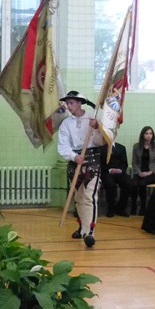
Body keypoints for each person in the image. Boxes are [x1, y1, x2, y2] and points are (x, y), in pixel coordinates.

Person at [57, 90, 105, 247]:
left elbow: (102, 141)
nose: (68, 106)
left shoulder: (93, 118)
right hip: (75, 162)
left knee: (89, 196)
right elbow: (63, 145)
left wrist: (97, 127)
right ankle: (83, 228)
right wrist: (73, 156)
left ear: (79, 103)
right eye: (67, 103)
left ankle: (90, 232)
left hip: (92, 160)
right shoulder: (66, 123)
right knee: (78, 198)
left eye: (71, 103)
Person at [129, 126, 155, 215]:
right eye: (146, 133)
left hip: (153, 173)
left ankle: (143, 207)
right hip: (140, 172)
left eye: (151, 133)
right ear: (142, 135)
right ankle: (133, 206)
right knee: (133, 184)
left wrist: (150, 172)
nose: (149, 135)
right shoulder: (136, 146)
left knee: (142, 184)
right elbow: (134, 162)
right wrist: (139, 172)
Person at [100, 141, 130, 217]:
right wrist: (110, 170)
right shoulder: (100, 148)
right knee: (110, 185)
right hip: (106, 172)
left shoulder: (121, 147)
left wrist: (120, 170)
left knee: (128, 183)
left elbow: (125, 163)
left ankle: (121, 208)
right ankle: (111, 209)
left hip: (119, 172)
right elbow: (100, 164)